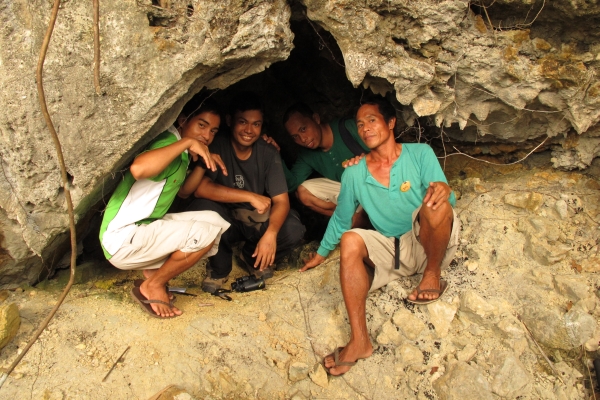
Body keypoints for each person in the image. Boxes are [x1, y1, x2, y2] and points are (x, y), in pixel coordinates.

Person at [301, 97, 460, 375]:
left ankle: (432, 275)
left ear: (390, 123)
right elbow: (341, 219)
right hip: (391, 251)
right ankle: (359, 340)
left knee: (435, 202)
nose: (365, 128)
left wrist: (446, 190)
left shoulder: (420, 153)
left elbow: (447, 200)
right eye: (360, 124)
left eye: (372, 120)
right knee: (351, 238)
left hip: (427, 244)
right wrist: (322, 253)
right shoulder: (353, 173)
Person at [99, 98, 230, 318]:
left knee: (214, 221)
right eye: (201, 125)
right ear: (183, 120)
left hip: (141, 230)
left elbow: (184, 192)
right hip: (122, 238)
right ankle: (154, 284)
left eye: (213, 131)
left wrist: (202, 162)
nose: (207, 136)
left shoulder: (182, 152)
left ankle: (152, 274)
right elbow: (139, 169)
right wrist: (187, 143)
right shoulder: (169, 142)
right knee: (203, 234)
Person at [186, 92, 305, 293]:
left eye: (256, 124)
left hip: (254, 220)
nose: (249, 130)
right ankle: (219, 268)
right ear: (229, 121)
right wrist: (249, 196)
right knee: (201, 207)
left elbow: (282, 201)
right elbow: (199, 189)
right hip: (225, 219)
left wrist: (271, 234)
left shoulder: (268, 152)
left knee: (293, 228)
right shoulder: (216, 144)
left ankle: (252, 256)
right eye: (243, 122)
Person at [280, 103, 370, 221]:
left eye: (303, 129)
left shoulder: (347, 128)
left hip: (373, 185)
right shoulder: (306, 155)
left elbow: (384, 154)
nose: (302, 139)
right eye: (295, 137)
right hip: (350, 193)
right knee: (303, 192)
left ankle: (361, 217)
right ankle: (353, 219)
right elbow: (291, 185)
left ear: (316, 119)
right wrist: (275, 156)